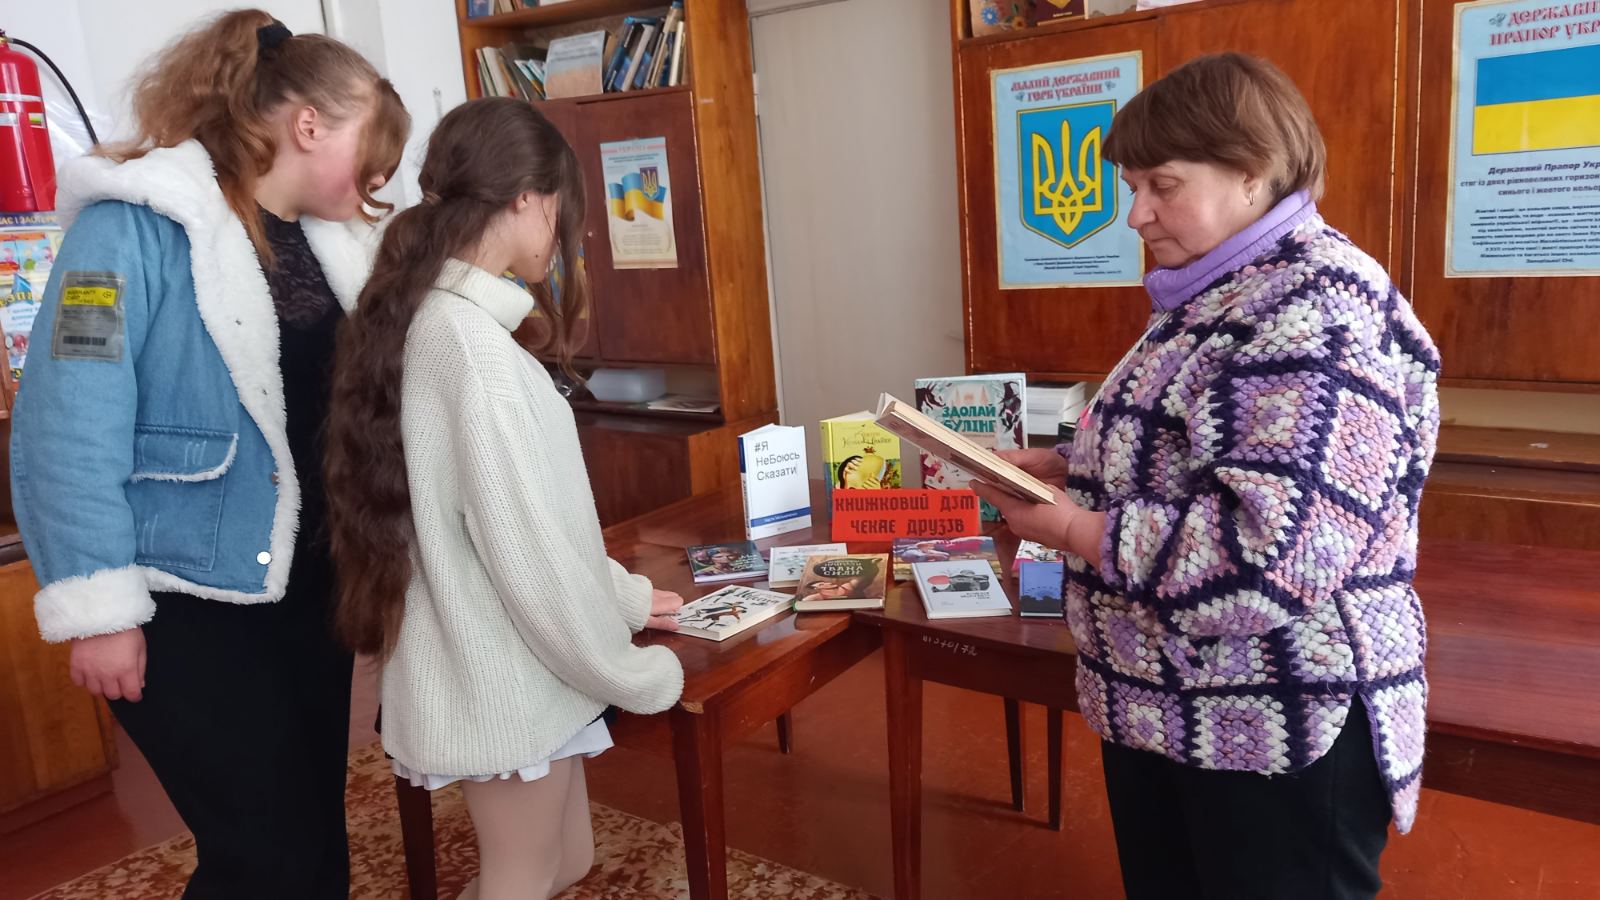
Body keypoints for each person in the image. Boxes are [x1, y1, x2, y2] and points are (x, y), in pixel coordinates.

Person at [973, 53, 1439, 900]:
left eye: (1162, 185)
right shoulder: (1219, 289)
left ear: (1253, 173)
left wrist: (1075, 527)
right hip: (1173, 706)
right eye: (1131, 186)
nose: (1136, 214)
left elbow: (1270, 555)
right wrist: (1070, 466)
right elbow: (1202, 449)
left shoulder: (1314, 308)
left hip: (1276, 723)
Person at [10, 10, 408, 899]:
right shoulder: (129, 229)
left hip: (309, 590)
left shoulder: (333, 243)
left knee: (313, 842)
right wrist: (99, 607)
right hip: (183, 604)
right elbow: (65, 423)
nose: (382, 177)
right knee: (266, 856)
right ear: (310, 125)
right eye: (374, 149)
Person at [324, 97, 685, 900]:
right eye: (561, 210)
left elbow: (538, 530)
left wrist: (622, 598)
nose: (563, 237)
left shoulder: (445, 325)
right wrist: (628, 672)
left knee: (567, 862)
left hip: (515, 667)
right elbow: (528, 555)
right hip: (504, 677)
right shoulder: (469, 347)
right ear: (526, 197)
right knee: (521, 878)